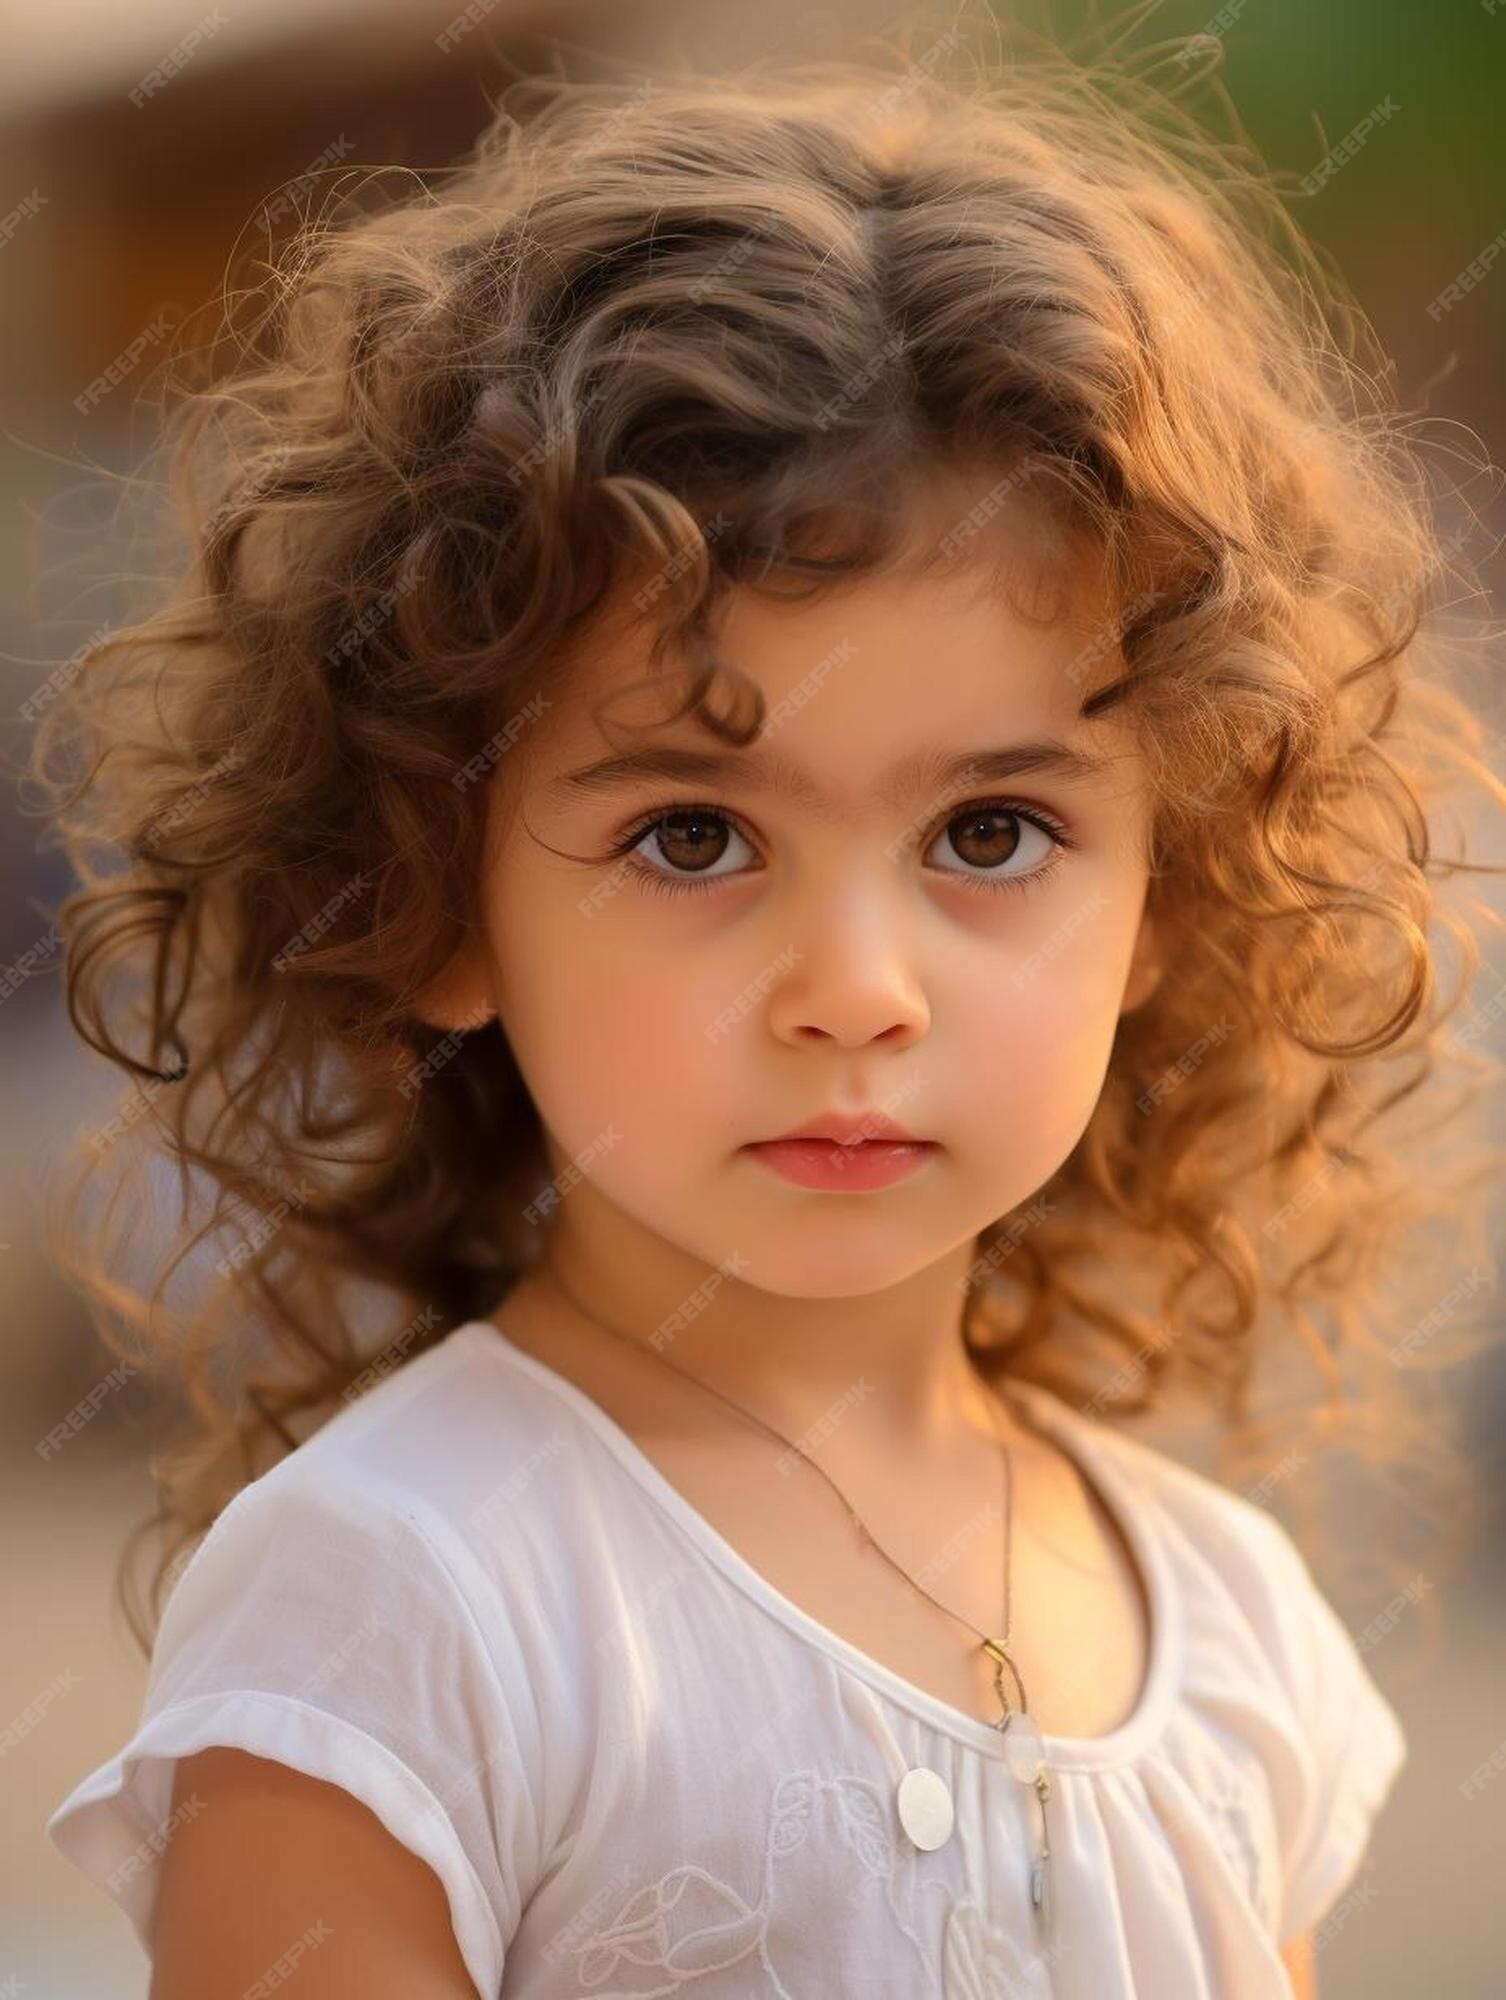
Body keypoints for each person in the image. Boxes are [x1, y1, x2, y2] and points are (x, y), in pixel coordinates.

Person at [37, 19, 1498, 1998]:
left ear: (1170, 889)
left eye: (990, 830)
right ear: (437, 891)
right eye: (697, 838)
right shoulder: (405, 1602)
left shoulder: (1226, 1628)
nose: (856, 993)